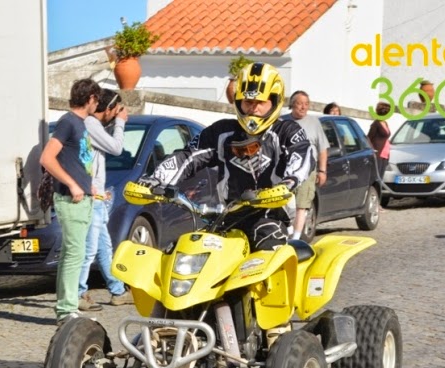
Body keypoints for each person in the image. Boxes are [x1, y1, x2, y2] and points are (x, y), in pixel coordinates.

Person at [138, 62, 313, 249]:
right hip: (227, 218)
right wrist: (156, 179)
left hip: (271, 218)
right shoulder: (221, 132)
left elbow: (302, 154)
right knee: (189, 251)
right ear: (238, 101)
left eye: (260, 103)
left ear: (275, 101)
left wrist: (289, 182)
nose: (254, 109)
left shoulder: (287, 131)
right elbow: (188, 157)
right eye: (248, 102)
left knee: (267, 254)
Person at [40, 78, 101, 325]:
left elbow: (77, 160)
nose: (98, 104)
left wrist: (87, 185)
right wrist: (73, 184)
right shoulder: (68, 122)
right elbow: (47, 158)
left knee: (71, 254)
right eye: (97, 100)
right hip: (70, 199)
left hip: (82, 198)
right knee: (75, 254)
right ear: (90, 98)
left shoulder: (79, 123)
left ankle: (67, 306)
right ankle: (66, 311)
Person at [77, 89, 133, 312]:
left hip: (98, 196)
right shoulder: (90, 124)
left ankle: (117, 290)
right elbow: (116, 148)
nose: (119, 113)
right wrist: (120, 123)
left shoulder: (94, 126)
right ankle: (78, 293)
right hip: (91, 197)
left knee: (104, 247)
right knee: (90, 249)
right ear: (108, 109)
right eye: (117, 109)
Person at [283, 90, 328, 240]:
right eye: (299, 103)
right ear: (292, 105)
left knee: (301, 205)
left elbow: (322, 149)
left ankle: (296, 238)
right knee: (283, 203)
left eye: (306, 104)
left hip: (307, 171)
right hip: (285, 171)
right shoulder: (282, 122)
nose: (303, 107)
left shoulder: (314, 123)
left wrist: (322, 171)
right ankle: (285, 234)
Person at [367, 101, 392, 181]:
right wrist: (372, 150)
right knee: (376, 177)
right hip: (378, 153)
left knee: (381, 176)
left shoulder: (385, 123)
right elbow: (369, 138)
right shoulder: (376, 124)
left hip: (385, 153)